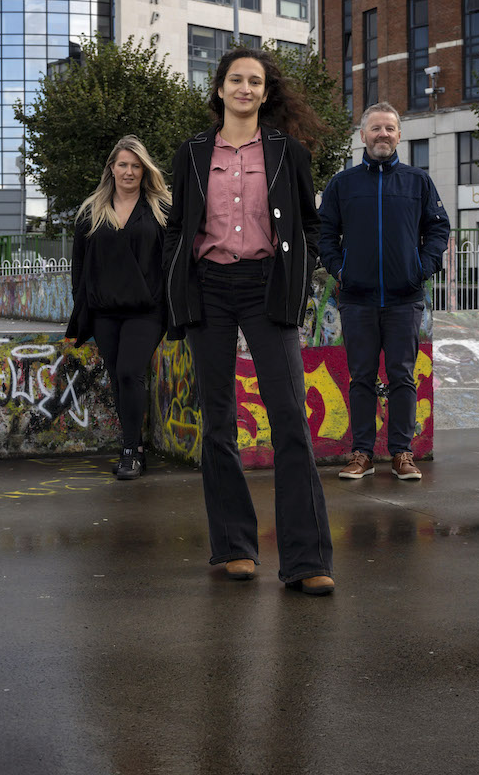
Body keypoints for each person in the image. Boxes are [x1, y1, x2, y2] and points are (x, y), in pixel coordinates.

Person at [163, 49, 336, 595]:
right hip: (209, 289)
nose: (244, 88)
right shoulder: (191, 153)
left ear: (266, 93)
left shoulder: (288, 153)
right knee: (218, 422)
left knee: (289, 418)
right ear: (219, 90)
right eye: (235, 79)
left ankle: (306, 560)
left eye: (254, 81)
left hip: (268, 287)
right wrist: (177, 290)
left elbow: (311, 224)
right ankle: (235, 546)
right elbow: (177, 228)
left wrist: (299, 277)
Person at [319, 103, 450, 483]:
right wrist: (340, 269)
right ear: (362, 135)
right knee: (360, 377)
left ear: (398, 135)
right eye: (375, 128)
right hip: (357, 298)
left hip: (404, 298)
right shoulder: (343, 184)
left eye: (390, 128)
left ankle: (402, 452)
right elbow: (325, 234)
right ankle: (361, 453)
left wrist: (422, 269)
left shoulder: (417, 182)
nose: (383, 135)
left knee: (402, 377)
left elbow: (438, 230)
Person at [65, 135, 171, 481]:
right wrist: (81, 307)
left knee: (130, 372)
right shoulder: (90, 211)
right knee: (117, 376)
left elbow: (171, 261)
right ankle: (134, 443)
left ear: (145, 170)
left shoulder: (161, 209)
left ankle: (129, 452)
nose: (129, 171)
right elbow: (79, 266)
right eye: (122, 164)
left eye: (135, 165)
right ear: (111, 168)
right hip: (105, 310)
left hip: (147, 309)